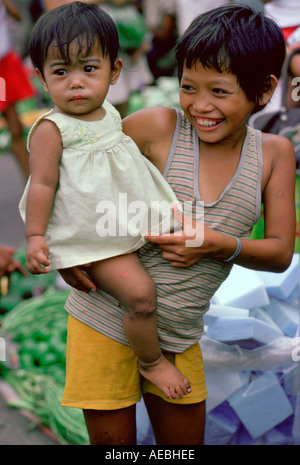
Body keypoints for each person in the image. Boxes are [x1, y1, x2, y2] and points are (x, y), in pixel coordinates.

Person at [57, 4, 296, 445]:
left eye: (220, 92)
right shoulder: (158, 127)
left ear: (264, 90)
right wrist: (63, 251)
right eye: (189, 87)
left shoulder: (275, 155)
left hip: (179, 334)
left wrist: (216, 244)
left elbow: (281, 252)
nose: (200, 105)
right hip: (104, 320)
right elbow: (74, 177)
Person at [19, 1, 191, 401]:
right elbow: (42, 185)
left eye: (88, 69)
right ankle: (151, 362)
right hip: (94, 236)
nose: (75, 83)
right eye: (61, 72)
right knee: (141, 295)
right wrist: (35, 237)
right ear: (42, 80)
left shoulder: (110, 112)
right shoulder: (52, 129)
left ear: (114, 71)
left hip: (123, 219)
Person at [0, 0, 35, 179]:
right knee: (14, 127)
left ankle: (31, 180)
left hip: (4, 68)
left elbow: (18, 16)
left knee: (15, 127)